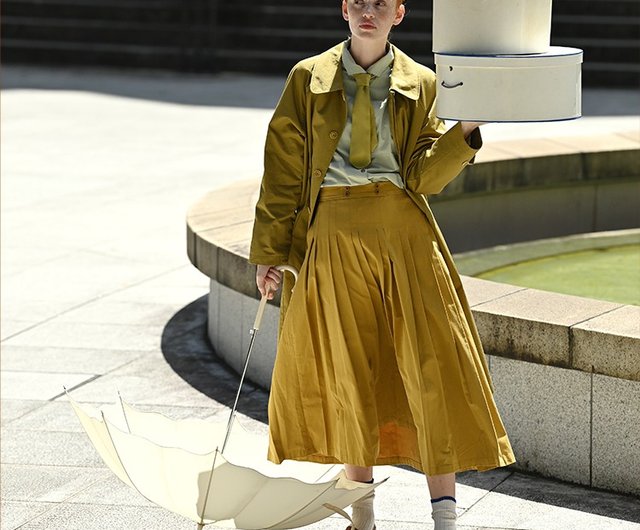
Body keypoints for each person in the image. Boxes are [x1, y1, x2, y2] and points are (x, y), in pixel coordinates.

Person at [249, 1, 516, 529]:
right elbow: (282, 172)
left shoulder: (423, 82)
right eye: (359, 2)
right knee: (351, 370)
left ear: (399, 13)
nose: (368, 12)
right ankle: (362, 514)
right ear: (345, 9)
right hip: (331, 236)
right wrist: (270, 254)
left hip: (405, 236)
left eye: (381, 4)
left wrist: (466, 130)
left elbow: (422, 178)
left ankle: (445, 515)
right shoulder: (308, 78)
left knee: (431, 366)